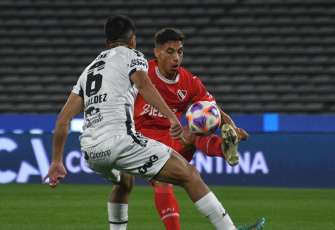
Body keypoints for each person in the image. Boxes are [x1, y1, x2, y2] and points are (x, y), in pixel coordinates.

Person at [42, 15, 265, 230]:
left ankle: (221, 148)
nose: (176, 57)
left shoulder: (89, 71)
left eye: (179, 52)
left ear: (106, 42)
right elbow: (145, 85)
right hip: (124, 140)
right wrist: (171, 117)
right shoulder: (135, 58)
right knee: (189, 174)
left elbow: (63, 119)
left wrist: (56, 162)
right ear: (133, 41)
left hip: (91, 151)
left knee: (124, 183)